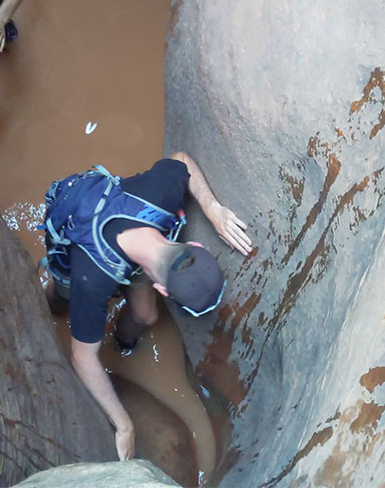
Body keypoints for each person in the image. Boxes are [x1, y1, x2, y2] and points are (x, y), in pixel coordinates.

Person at [42, 152, 252, 461]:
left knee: (146, 315)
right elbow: (82, 357)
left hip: (136, 242)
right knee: (62, 298)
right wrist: (123, 424)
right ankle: (50, 305)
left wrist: (213, 209)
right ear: (163, 288)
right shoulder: (91, 278)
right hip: (77, 246)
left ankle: (123, 343)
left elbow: (182, 159)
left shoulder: (161, 194)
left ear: (193, 246)